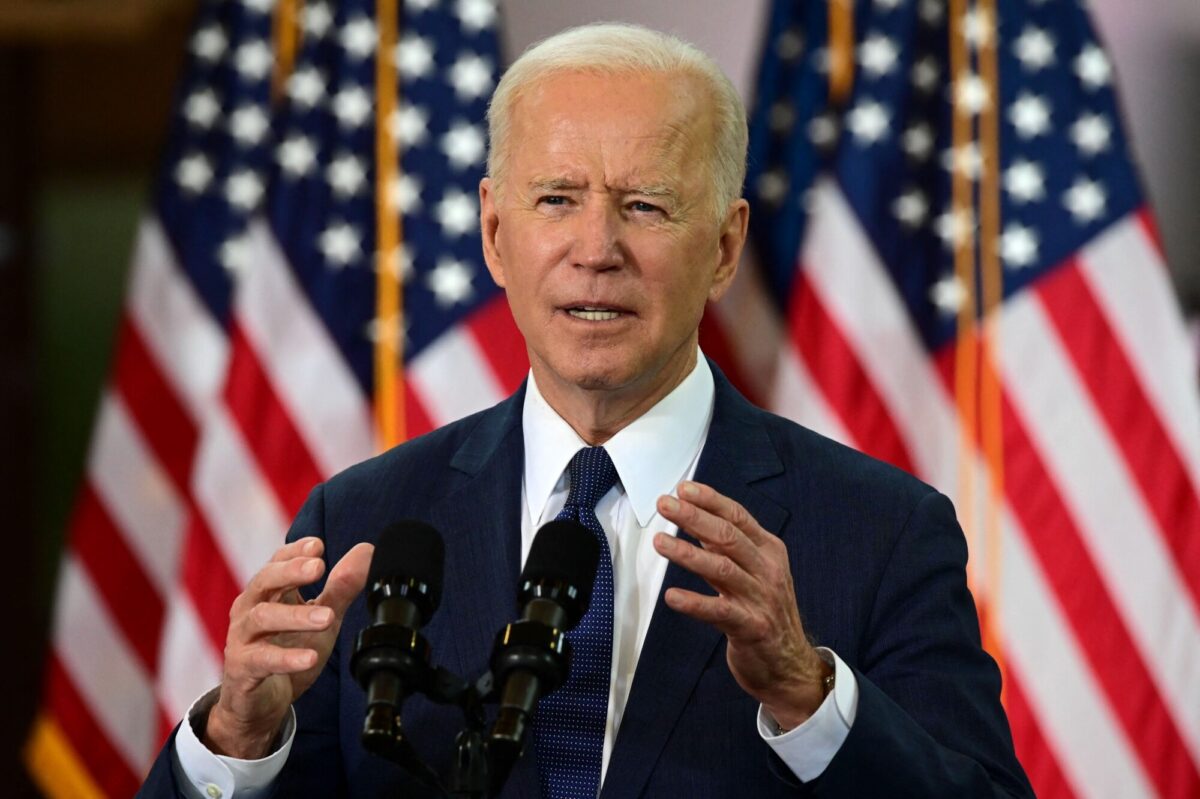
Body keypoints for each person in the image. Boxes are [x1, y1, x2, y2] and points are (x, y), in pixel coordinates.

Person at [140, 22, 1033, 798]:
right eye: (557, 200)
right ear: (495, 233)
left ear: (725, 248)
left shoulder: (879, 531)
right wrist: (237, 743)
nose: (596, 250)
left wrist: (809, 696)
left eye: (645, 206)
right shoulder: (364, 522)